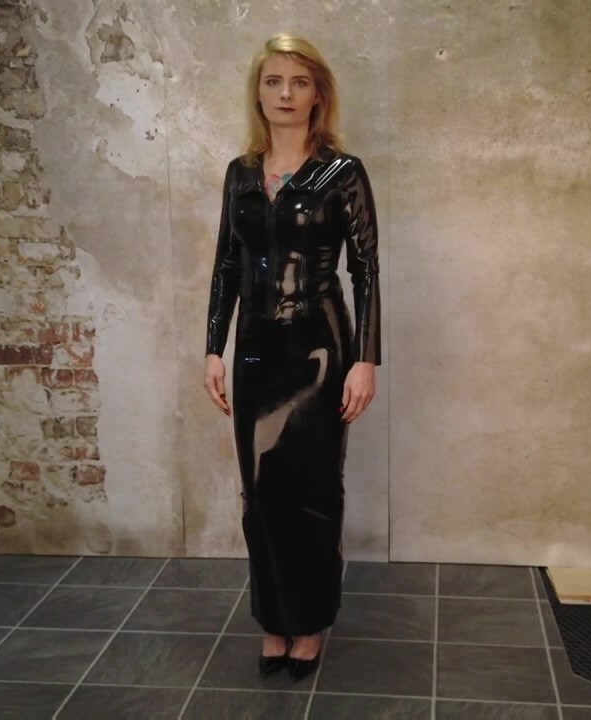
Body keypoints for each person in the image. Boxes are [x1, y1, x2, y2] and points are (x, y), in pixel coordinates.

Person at [201, 33, 381, 681]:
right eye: (274, 81)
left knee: (312, 490)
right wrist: (213, 349)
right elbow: (226, 265)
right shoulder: (241, 173)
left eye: (299, 82)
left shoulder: (342, 172)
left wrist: (365, 359)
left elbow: (366, 270)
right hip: (254, 354)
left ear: (317, 95)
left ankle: (309, 623)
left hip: (319, 352)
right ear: (258, 92)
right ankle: (274, 620)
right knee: (260, 492)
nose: (285, 93)